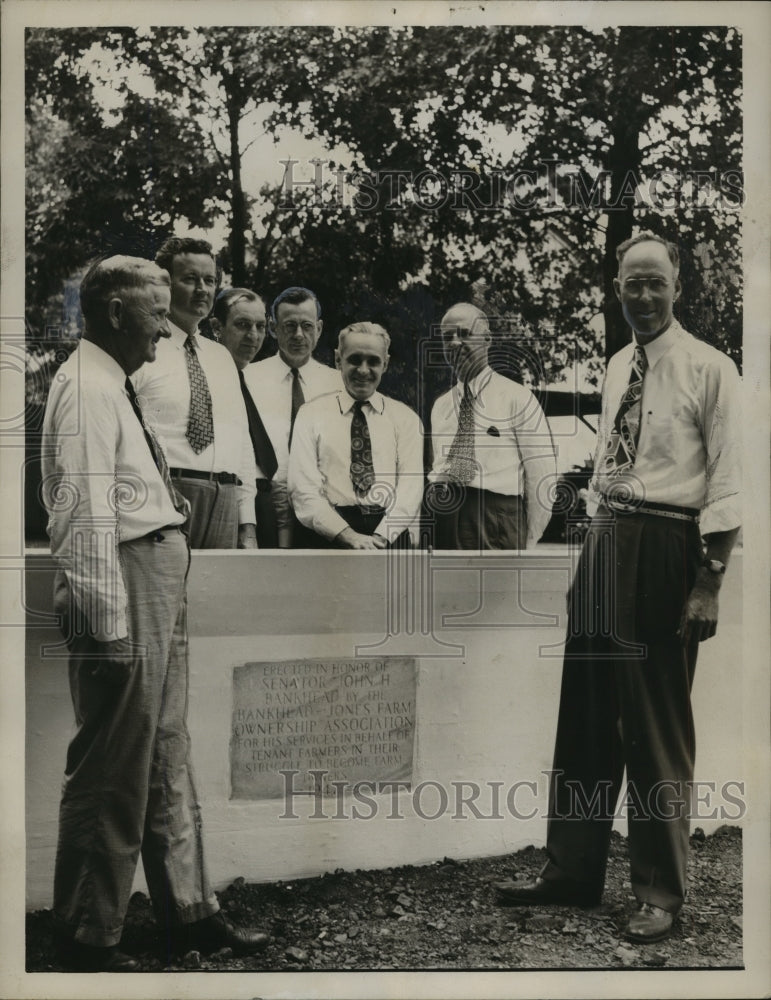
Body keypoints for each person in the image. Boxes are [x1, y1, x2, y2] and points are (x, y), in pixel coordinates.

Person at [494, 233, 742, 944]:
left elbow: (729, 484)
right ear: (616, 286)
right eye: (630, 283)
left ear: (677, 288)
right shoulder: (615, 366)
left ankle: (660, 890)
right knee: (584, 712)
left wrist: (708, 582)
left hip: (666, 545)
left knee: (654, 724)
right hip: (605, 538)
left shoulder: (710, 368)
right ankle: (571, 869)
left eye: (653, 284)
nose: (641, 296)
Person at [41, 256, 269, 972]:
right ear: (114, 313)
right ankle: (86, 933)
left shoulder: (113, 382)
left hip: (156, 570)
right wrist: (107, 626)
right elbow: (79, 514)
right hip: (124, 579)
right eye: (155, 314)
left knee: (166, 750)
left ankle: (191, 913)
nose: (167, 333)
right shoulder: (83, 385)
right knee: (114, 761)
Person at [132, 237, 257, 549]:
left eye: (210, 280)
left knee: (219, 597)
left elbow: (241, 444)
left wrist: (247, 523)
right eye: (190, 279)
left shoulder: (221, 358)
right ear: (164, 283)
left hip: (225, 501)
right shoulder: (142, 350)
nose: (202, 289)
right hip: (165, 495)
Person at [426, 303, 555, 549]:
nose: (454, 343)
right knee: (445, 588)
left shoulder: (517, 398)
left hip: (496, 519)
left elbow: (542, 476)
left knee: (494, 589)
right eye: (447, 337)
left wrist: (527, 537)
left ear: (487, 339)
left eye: (464, 334)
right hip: (445, 517)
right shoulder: (441, 406)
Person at [288, 322, 424, 548]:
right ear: (338, 360)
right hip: (328, 533)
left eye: (373, 361)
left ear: (386, 364)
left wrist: (382, 537)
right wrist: (346, 534)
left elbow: (410, 489)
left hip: (388, 533)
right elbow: (303, 488)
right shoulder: (311, 414)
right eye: (354, 359)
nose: (363, 370)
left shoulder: (405, 419)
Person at [243, 286, 341, 547]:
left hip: (322, 505)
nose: (299, 335)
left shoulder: (338, 384)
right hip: (264, 503)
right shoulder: (249, 378)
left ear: (319, 329)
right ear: (274, 328)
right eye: (290, 326)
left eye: (307, 326)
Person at [211, 287, 278, 548]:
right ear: (217, 327)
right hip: (233, 504)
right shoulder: (212, 378)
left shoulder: (252, 378)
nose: (253, 336)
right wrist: (246, 524)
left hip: (261, 502)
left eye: (260, 326)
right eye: (242, 325)